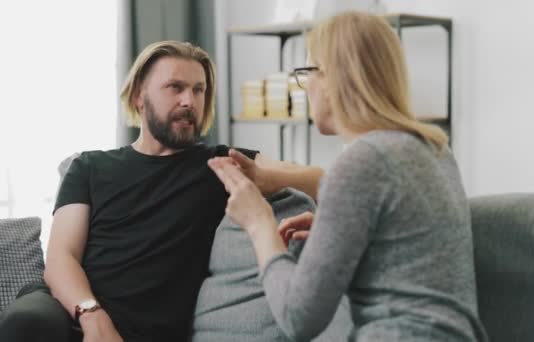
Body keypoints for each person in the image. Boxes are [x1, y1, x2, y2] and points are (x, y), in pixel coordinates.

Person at [0, 40, 323, 342]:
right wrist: (92, 315)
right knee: (26, 322)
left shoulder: (223, 163)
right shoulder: (89, 166)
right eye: (175, 87)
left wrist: (267, 177)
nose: (189, 101)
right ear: (140, 95)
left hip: (150, 328)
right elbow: (61, 257)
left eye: (199, 90)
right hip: (74, 313)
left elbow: (325, 180)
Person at [208, 11, 488, 342]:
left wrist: (259, 224)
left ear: (334, 78)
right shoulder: (436, 150)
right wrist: (334, 224)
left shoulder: (361, 160)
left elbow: (298, 319)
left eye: (308, 71)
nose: (306, 86)